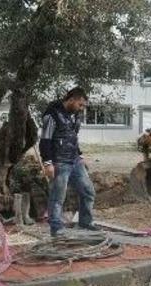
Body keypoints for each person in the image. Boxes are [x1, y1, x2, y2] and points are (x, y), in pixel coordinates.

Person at [39, 87, 96, 236]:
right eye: (80, 105)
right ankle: (56, 229)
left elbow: (72, 137)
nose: (82, 108)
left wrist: (80, 155)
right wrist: (47, 163)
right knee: (58, 197)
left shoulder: (75, 115)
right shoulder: (52, 115)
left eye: (83, 106)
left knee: (88, 191)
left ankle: (86, 222)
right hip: (59, 162)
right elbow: (45, 140)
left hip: (74, 160)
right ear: (71, 100)